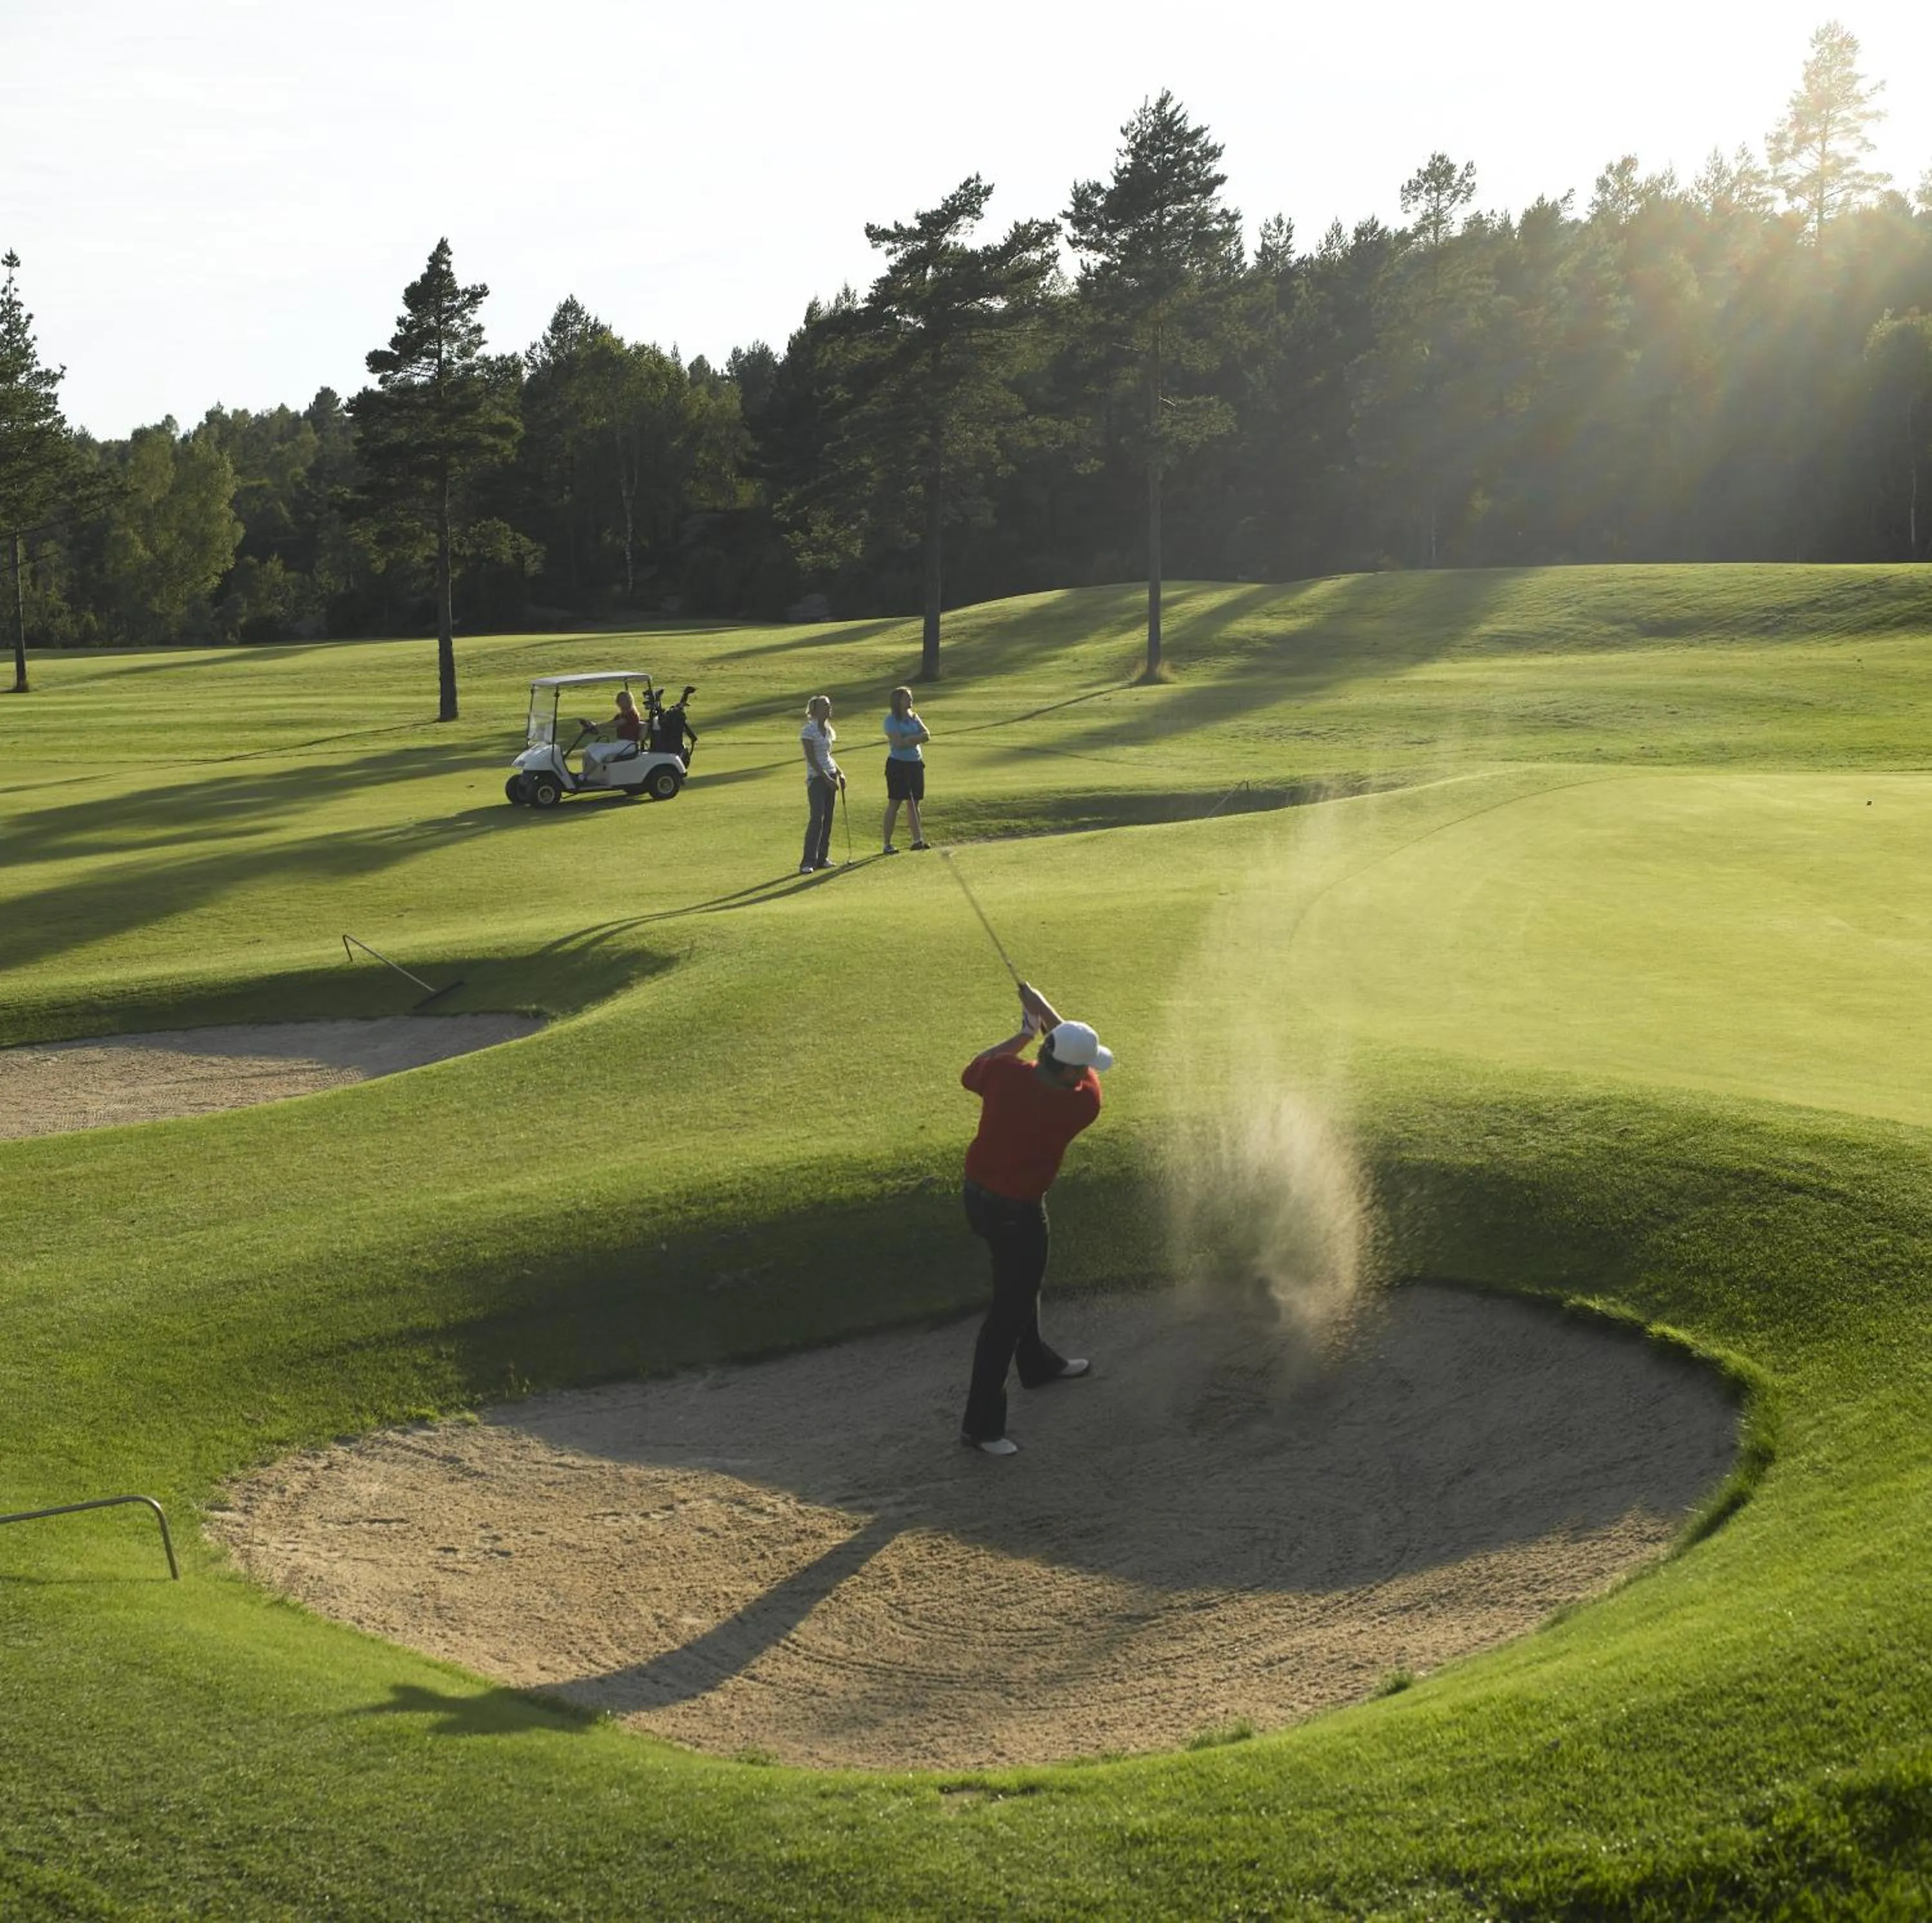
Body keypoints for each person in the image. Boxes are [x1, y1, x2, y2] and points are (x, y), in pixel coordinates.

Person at [956, 982, 1113, 1456]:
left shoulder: (1005, 1074)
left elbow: (973, 1072)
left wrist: (1023, 1033)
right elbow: (1071, 1050)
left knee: (1021, 1285)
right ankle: (980, 1427)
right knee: (1006, 1314)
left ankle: (1037, 1366)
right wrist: (1042, 1008)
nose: (1087, 1071)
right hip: (1017, 1214)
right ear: (1068, 1071)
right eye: (1082, 1065)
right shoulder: (1082, 1103)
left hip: (978, 1200)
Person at [880, 685, 931, 853]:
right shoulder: (891, 720)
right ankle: (887, 844)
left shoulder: (914, 718)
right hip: (898, 764)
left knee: (914, 803)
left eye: (910, 697)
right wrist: (917, 738)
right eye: (907, 698)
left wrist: (910, 738)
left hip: (915, 763)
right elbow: (898, 744)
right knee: (895, 802)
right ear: (898, 701)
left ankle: (917, 840)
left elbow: (927, 735)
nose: (911, 700)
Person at [799, 694, 844, 873]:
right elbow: (811, 758)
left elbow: (827, 756)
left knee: (828, 819)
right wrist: (826, 777)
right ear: (816, 710)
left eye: (829, 705)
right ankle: (807, 862)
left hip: (830, 774)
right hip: (817, 779)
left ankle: (822, 857)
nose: (829, 708)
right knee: (817, 818)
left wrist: (839, 773)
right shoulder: (808, 731)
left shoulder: (828, 730)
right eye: (826, 705)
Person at [581, 689, 644, 776]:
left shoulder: (632, 714)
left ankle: (582, 777)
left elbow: (616, 724)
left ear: (629, 701)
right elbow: (609, 725)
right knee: (591, 747)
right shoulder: (620, 715)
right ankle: (590, 775)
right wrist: (593, 726)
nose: (619, 702)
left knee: (601, 752)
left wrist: (597, 725)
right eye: (618, 700)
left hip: (629, 745)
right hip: (620, 744)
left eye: (622, 700)